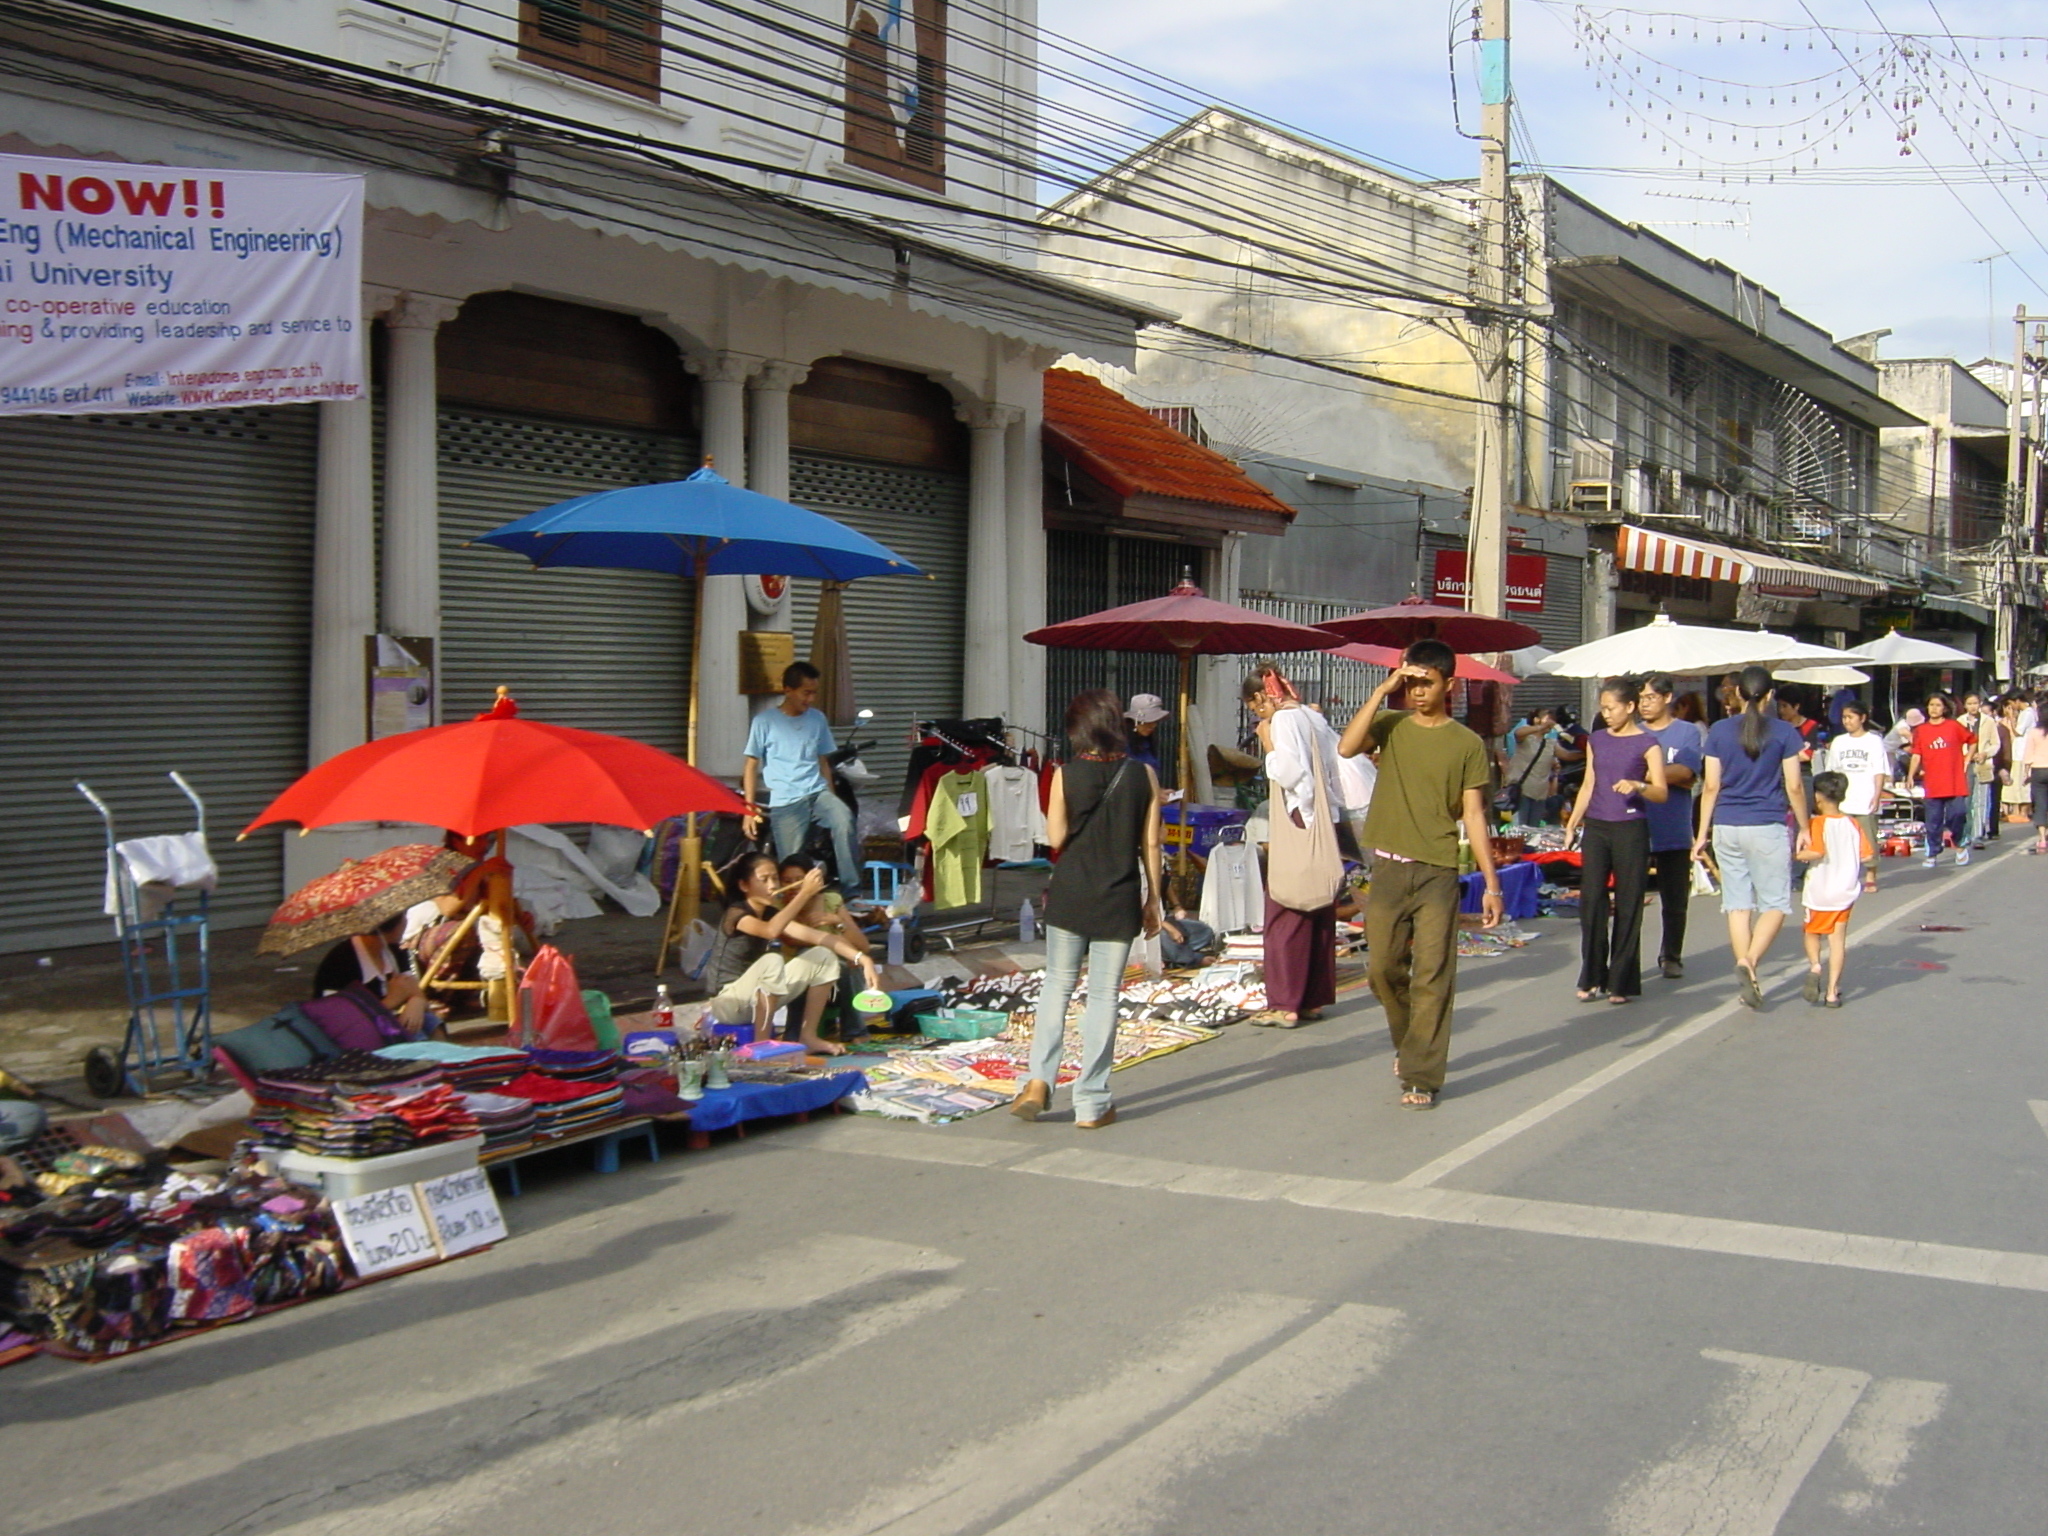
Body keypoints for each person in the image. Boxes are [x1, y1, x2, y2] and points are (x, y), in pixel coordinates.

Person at [1340, 639, 1503, 1110]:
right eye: (1411, 683)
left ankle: (1421, 1075)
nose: (1417, 692)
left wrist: (1491, 885)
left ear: (1448, 684)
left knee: (1432, 974)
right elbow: (1347, 746)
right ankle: (1410, 1042)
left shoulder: (1467, 744)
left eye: (1426, 683)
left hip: (1437, 870)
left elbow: (1474, 815)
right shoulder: (1390, 726)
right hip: (1388, 869)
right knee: (1382, 970)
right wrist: (1382, 689)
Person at [1011, 689, 1163, 1129]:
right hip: (1118, 897)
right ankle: (1092, 1102)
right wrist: (1154, 899)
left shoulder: (1064, 775)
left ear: (1077, 729)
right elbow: (1151, 843)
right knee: (1102, 997)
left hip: (1071, 893)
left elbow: (1055, 838)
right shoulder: (1143, 776)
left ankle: (1039, 1081)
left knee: (1057, 986)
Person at [1693, 666, 1809, 1010]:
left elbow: (1711, 786)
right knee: (1774, 904)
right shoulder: (1785, 732)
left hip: (1727, 825)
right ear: (1771, 695)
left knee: (1738, 905)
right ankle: (1750, 962)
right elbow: (1795, 786)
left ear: (1738, 694)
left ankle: (1750, 973)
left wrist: (1701, 835)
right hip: (1768, 825)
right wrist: (1804, 827)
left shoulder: (1718, 730)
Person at [1245, 663, 1348, 1026]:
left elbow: (1289, 773)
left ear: (1263, 696)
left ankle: (1285, 1002)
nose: (1257, 715)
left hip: (1298, 816)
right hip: (1324, 818)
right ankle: (1312, 998)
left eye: (1255, 707)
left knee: (1285, 911)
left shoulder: (1285, 722)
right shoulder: (1311, 718)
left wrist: (1268, 743)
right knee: (1319, 908)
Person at [704, 855, 880, 1055]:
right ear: (744, 885)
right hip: (728, 1003)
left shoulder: (769, 912)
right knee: (772, 959)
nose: (772, 886)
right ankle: (762, 1046)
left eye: (774, 879)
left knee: (823, 955)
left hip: (754, 999)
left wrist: (863, 959)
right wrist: (803, 894)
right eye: (764, 880)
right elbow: (771, 931)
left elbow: (819, 937)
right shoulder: (736, 914)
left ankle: (808, 1036)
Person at [1562, 677, 1669, 1004]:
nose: (1606, 714)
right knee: (1591, 900)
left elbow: (1661, 792)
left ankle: (1621, 979)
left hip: (1631, 829)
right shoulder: (1597, 739)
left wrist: (1638, 786)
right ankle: (1592, 974)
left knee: (1628, 902)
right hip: (1597, 827)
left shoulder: (1648, 744)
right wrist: (1573, 823)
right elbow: (1589, 783)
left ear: (1630, 707)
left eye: (1612, 708)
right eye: (1603, 708)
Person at [741, 661, 860, 892]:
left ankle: (851, 889)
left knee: (844, 820)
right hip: (786, 801)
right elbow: (750, 765)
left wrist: (832, 797)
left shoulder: (817, 719)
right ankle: (794, 905)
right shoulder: (764, 722)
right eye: (806, 693)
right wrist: (748, 809)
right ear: (788, 690)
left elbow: (823, 761)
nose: (810, 699)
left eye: (814, 693)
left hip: (817, 792)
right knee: (792, 863)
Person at [1636, 674, 1705, 978]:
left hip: (1674, 828)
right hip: (1636, 825)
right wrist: (1668, 775)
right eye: (1640, 699)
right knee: (1630, 901)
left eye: (1650, 697)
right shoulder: (1631, 732)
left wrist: (1645, 774)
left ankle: (1671, 954)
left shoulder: (1687, 732)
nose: (1643, 704)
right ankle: (1628, 958)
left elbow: (1688, 772)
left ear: (1666, 698)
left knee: (1675, 900)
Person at [1797, 771, 1873, 1009]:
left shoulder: (1817, 823)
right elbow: (1868, 854)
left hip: (1820, 890)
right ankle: (1832, 992)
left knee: (1812, 932)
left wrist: (1798, 855)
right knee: (1837, 941)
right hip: (1845, 890)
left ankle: (1815, 966)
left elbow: (1817, 851)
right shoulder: (1852, 823)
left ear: (1818, 797)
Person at [312, 913, 441, 1038]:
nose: (406, 922)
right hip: (352, 1035)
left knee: (429, 1021)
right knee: (412, 1033)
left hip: (381, 1020)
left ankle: (446, 1059)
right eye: (404, 917)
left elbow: (413, 989)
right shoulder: (340, 962)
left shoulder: (394, 951)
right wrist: (391, 1001)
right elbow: (340, 1023)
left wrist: (417, 1001)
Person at [1821, 701, 1889, 893]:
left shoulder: (1873, 741)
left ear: (1862, 718)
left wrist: (1877, 796)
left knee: (1868, 839)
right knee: (1841, 841)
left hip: (1864, 797)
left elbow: (1879, 770)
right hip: (1843, 800)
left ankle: (1870, 874)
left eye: (1850, 717)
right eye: (1844, 717)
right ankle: (1845, 876)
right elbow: (1832, 771)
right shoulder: (1839, 742)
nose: (1847, 721)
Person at [1904, 693, 1976, 869]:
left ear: (1944, 708)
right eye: (1931, 705)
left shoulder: (1953, 726)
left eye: (1937, 705)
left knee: (1957, 815)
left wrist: (1967, 759)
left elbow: (1973, 740)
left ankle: (1960, 845)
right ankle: (1933, 852)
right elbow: (1916, 755)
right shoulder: (1921, 730)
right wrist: (1910, 775)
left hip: (1954, 781)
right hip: (1933, 783)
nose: (1934, 709)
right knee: (1933, 821)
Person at [1500, 706, 1560, 826]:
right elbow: (1518, 733)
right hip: (1522, 791)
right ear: (1536, 719)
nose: (1551, 722)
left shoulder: (1550, 743)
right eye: (1548, 719)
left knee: (1534, 829)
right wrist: (1541, 727)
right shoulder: (1526, 738)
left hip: (1540, 794)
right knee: (1520, 828)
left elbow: (1567, 755)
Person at [2020, 699, 2048, 854]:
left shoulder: (2034, 732)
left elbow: (2028, 754)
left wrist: (2025, 773)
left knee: (2040, 804)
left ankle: (2042, 839)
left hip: (2038, 770)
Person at [1124, 693, 1168, 776]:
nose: (1153, 725)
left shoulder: (1145, 743)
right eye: (1147, 721)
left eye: (1155, 721)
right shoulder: (1121, 746)